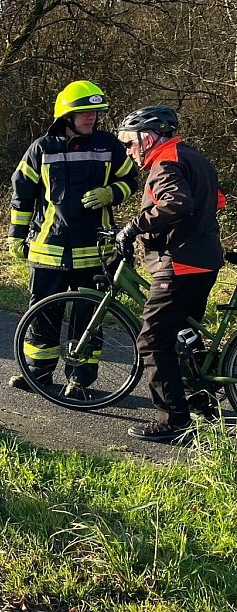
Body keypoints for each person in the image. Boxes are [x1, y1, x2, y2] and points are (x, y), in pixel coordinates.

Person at [8, 80, 140, 397]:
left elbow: (132, 179)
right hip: (48, 250)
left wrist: (112, 192)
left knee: (88, 320)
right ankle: (37, 375)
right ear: (66, 116)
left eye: (96, 112)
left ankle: (79, 381)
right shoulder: (41, 149)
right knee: (42, 318)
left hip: (94, 251)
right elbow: (22, 195)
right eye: (84, 112)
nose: (92, 117)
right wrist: (16, 235)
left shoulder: (109, 146)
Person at [114, 105, 224, 443]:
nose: (129, 151)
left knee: (153, 340)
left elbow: (177, 204)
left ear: (147, 138)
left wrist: (134, 226)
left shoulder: (165, 161)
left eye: (130, 143)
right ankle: (200, 400)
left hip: (179, 264)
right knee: (183, 337)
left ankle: (173, 422)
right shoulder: (191, 156)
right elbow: (217, 201)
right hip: (203, 260)